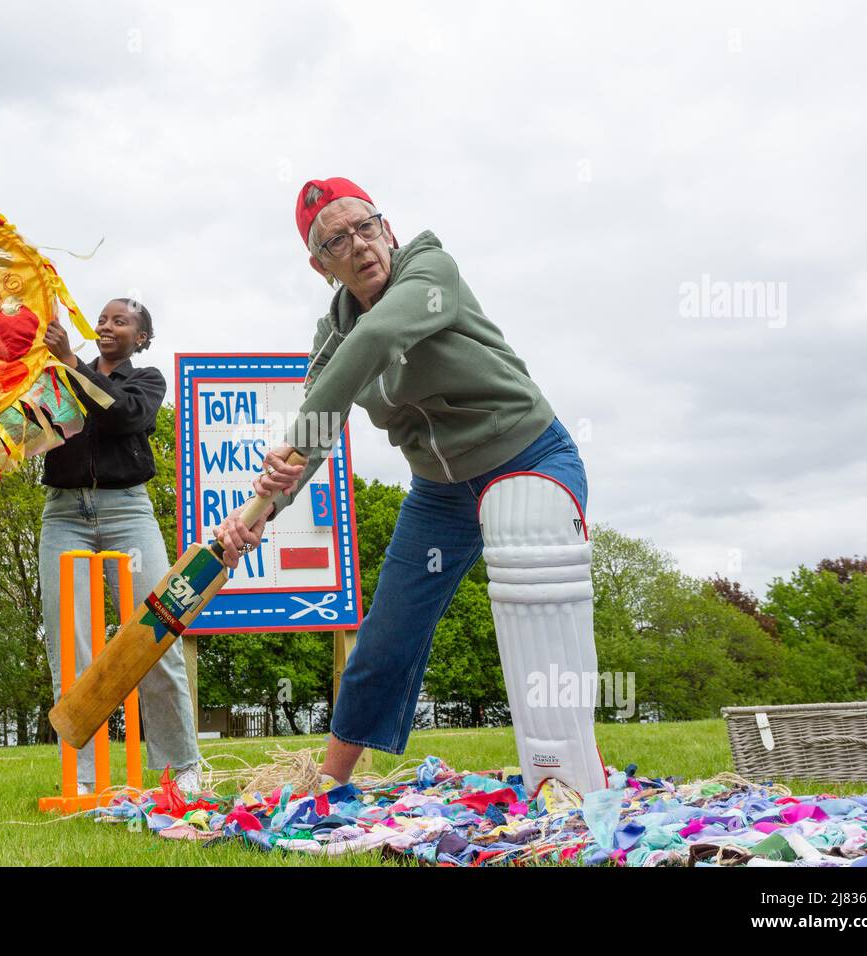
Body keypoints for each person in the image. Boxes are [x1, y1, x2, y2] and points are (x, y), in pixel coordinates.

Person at [214, 177, 607, 797]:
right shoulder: (334, 334)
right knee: (387, 630)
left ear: (387, 228)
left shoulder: (431, 270)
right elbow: (321, 418)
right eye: (337, 241)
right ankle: (327, 785)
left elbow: (377, 340)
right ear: (320, 266)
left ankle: (577, 772)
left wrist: (291, 446)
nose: (361, 245)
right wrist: (271, 502)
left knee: (537, 586)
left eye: (366, 226)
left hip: (529, 455)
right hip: (441, 494)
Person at [41, 298, 202, 794]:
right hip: (64, 513)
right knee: (73, 647)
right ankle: (85, 777)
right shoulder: (61, 375)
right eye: (104, 319)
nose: (108, 325)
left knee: (154, 634)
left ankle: (183, 767)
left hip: (127, 512)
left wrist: (71, 364)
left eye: (122, 321)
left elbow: (122, 415)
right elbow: (30, 428)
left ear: (142, 338)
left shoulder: (146, 379)